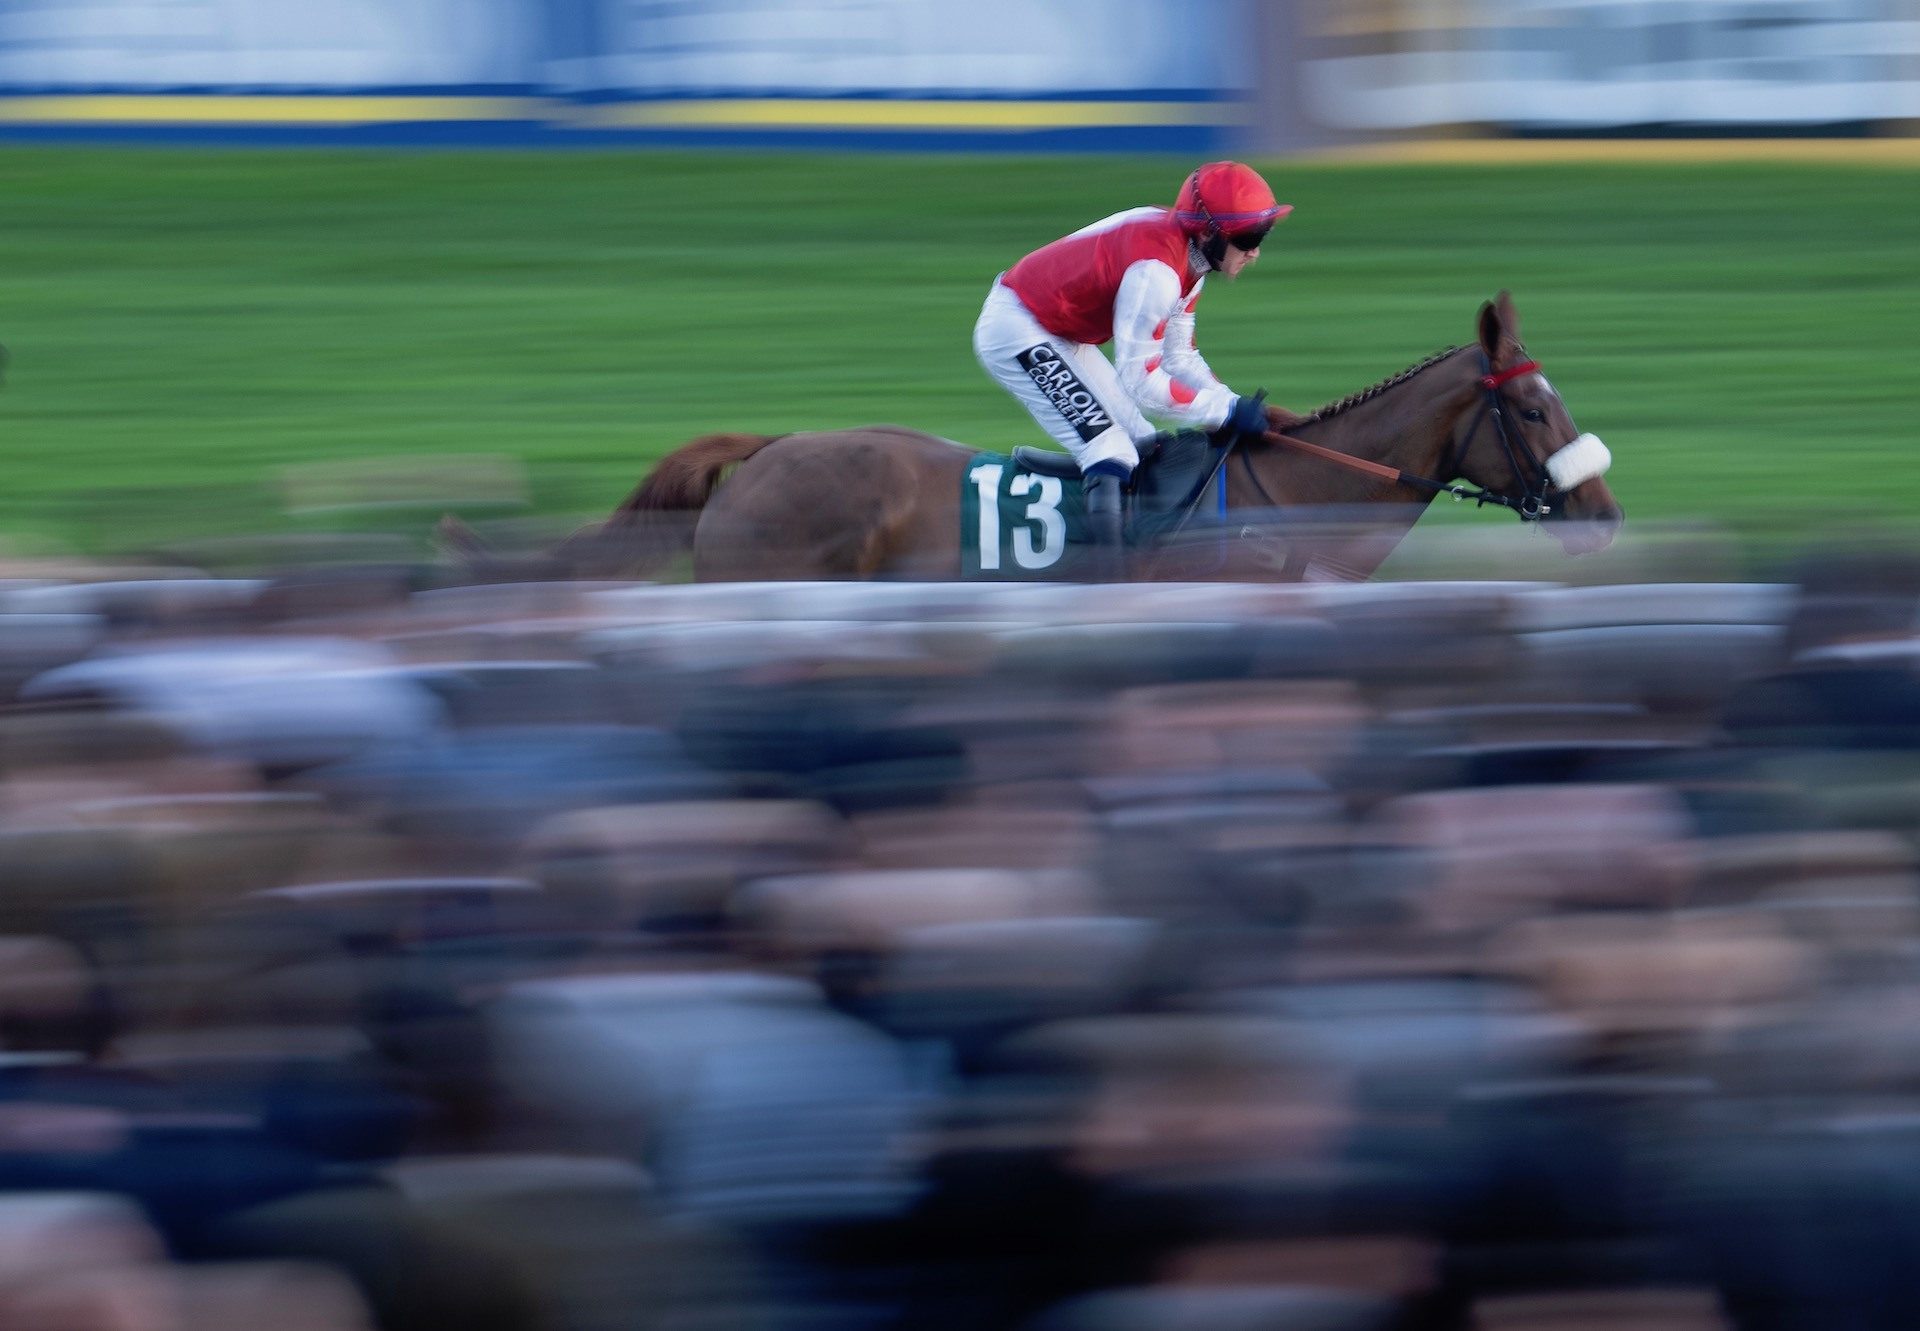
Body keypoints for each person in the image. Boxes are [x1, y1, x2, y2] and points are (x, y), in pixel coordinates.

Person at [973, 161, 1296, 577]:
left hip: (1058, 331)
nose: (1255, 251)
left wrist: (1230, 402)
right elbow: (1141, 381)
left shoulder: (1189, 261)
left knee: (1145, 442)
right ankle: (1113, 582)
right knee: (1109, 448)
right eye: (1248, 237)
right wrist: (1224, 414)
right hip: (1016, 328)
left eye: (1262, 235)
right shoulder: (1156, 273)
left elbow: (1179, 358)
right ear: (1208, 232)